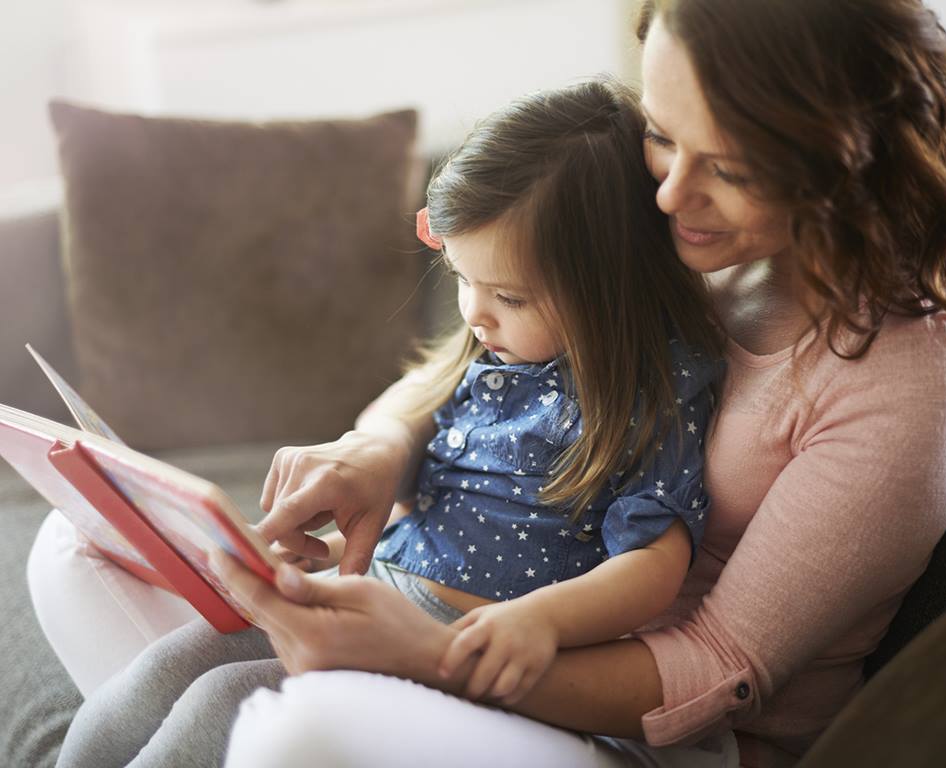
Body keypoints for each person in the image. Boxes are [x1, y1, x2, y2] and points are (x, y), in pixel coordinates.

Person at [29, 0, 946, 766]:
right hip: (453, 608)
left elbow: (718, 665)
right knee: (80, 552)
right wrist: (378, 452)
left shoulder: (911, 371)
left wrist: (424, 659)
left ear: (845, 158)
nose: (668, 195)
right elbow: (471, 364)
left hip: (634, 725)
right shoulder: (686, 234)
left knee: (276, 725)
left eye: (732, 169)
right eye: (663, 135)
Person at [44, 79, 727, 768]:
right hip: (381, 596)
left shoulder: (658, 391)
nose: (475, 314)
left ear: (612, 285)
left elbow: (653, 567)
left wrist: (537, 622)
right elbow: (399, 446)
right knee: (175, 664)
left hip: (470, 647)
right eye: (461, 278)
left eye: (510, 296)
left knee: (224, 702)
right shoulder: (496, 351)